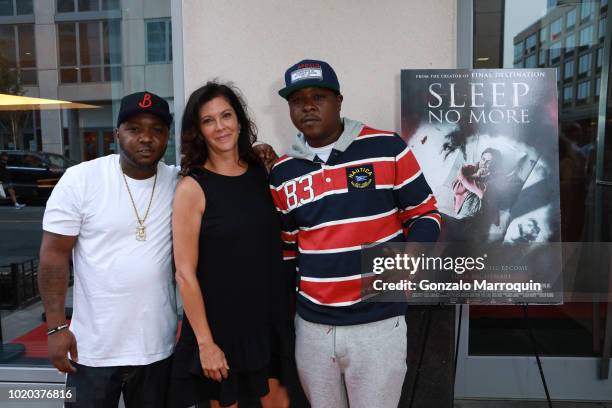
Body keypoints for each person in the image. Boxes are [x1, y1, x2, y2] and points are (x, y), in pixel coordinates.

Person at [269, 59, 441, 408]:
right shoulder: (282, 171)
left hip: (378, 322)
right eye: (297, 100)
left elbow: (424, 213)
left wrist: (409, 262)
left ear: (339, 101)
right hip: (314, 328)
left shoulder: (387, 147)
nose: (308, 106)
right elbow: (289, 250)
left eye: (319, 96)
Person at [38, 91, 178, 408]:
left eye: (157, 129)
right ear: (117, 133)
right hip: (91, 351)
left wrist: (259, 154)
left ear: (167, 136)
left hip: (157, 348)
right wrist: (56, 327)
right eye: (134, 129)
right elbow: (53, 257)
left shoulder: (179, 181)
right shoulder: (81, 180)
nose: (146, 138)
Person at [168, 81, 293, 408]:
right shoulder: (192, 188)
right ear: (198, 130)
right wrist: (206, 343)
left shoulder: (263, 172)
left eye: (226, 115)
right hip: (223, 332)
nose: (220, 126)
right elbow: (184, 274)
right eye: (209, 120)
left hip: (270, 324)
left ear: (239, 119)